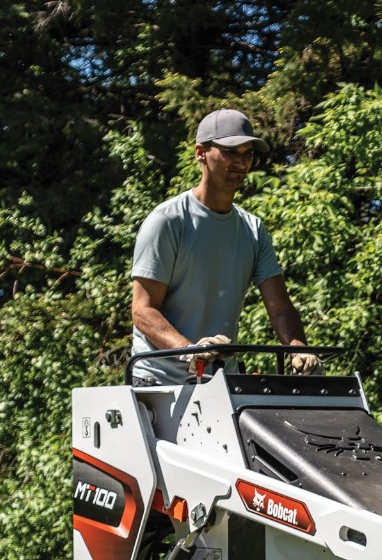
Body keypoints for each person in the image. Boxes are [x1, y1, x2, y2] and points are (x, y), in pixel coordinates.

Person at [129, 108, 319, 384]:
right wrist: (191, 352)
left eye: (247, 154)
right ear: (200, 153)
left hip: (218, 382)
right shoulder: (168, 220)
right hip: (158, 383)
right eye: (230, 152)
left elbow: (279, 307)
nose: (241, 163)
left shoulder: (252, 230)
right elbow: (143, 310)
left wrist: (298, 349)